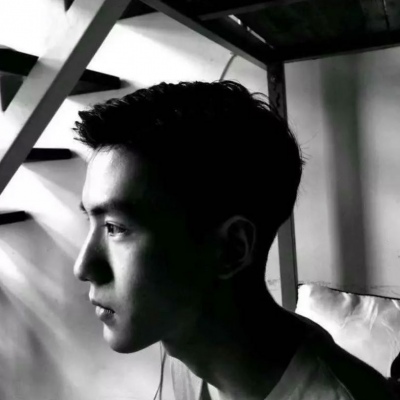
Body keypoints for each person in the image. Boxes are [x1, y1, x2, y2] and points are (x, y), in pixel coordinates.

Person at [72, 80, 396, 400]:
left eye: (115, 228)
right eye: (91, 220)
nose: (83, 267)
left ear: (231, 249)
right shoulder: (188, 347)